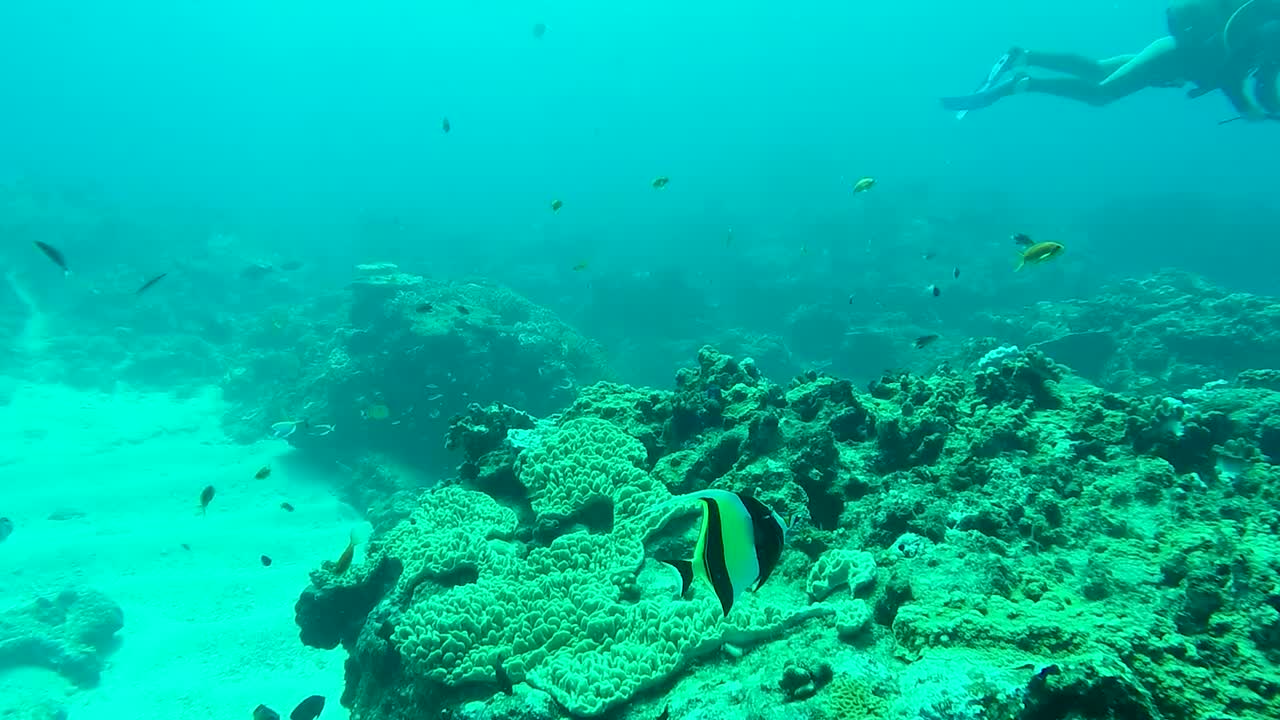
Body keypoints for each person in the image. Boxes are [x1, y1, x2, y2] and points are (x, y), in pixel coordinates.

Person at [941, 0, 1280, 121]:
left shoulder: (1267, 26)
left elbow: (1260, 78)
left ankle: (1023, 56)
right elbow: (1235, 74)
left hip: (1175, 54)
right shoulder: (1270, 30)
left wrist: (1266, 107)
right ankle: (1023, 84)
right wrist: (1247, 108)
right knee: (1101, 93)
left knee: (1097, 69)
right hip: (1174, 57)